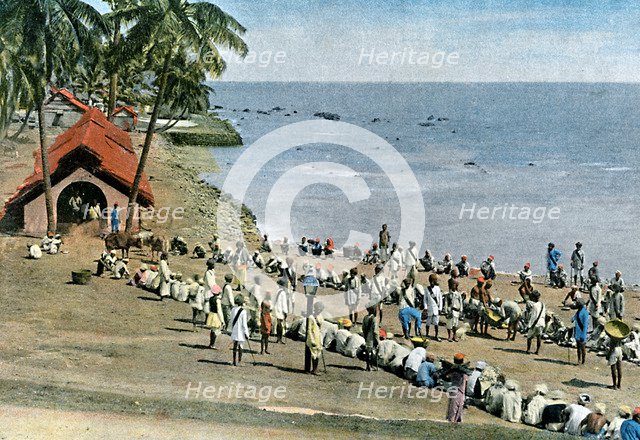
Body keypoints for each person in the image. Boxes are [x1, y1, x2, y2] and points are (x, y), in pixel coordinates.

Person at [445, 353, 468, 423]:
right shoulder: (463, 372)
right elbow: (466, 383)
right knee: (456, 410)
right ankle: (453, 423)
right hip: (459, 392)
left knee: (452, 408)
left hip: (453, 391)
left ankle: (453, 421)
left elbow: (445, 376)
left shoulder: (453, 371)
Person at [230, 295, 249, 367]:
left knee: (235, 345)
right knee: (241, 346)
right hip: (240, 331)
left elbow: (231, 320)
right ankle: (240, 361)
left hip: (234, 329)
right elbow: (244, 324)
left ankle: (234, 361)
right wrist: (246, 333)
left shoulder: (233, 309)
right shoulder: (243, 311)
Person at [305, 302, 323, 374]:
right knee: (314, 354)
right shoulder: (311, 317)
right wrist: (312, 340)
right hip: (312, 337)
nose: (319, 310)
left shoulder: (320, 316)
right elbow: (309, 329)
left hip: (318, 336)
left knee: (318, 353)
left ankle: (315, 368)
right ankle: (314, 370)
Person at [525, 290, 546, 355]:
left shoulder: (534, 306)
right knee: (539, 337)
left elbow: (533, 317)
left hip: (535, 323)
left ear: (534, 298)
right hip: (541, 322)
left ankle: (528, 350)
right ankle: (537, 351)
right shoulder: (543, 304)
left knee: (529, 337)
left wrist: (529, 326)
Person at [424, 273, 443, 341]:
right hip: (429, 308)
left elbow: (440, 299)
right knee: (428, 323)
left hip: (436, 309)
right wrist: (425, 308)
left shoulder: (437, 288)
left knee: (436, 323)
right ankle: (426, 335)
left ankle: (436, 335)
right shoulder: (426, 289)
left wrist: (440, 308)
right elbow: (425, 299)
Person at [572, 298, 590, 365]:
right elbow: (575, 317)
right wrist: (572, 319)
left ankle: (583, 360)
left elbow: (585, 325)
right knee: (578, 347)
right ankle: (579, 360)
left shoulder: (585, 312)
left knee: (583, 348)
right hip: (577, 331)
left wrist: (583, 335)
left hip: (582, 332)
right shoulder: (578, 311)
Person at [362, 306, 379, 371]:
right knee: (372, 352)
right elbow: (375, 331)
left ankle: (367, 366)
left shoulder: (365, 317)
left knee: (367, 351)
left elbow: (363, 328)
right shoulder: (374, 319)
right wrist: (377, 340)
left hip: (366, 336)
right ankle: (371, 366)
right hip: (372, 337)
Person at [207, 285, 224, 349]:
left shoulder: (211, 299)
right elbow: (219, 311)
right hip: (216, 315)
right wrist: (222, 320)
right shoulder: (218, 300)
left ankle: (211, 343)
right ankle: (212, 344)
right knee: (216, 330)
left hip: (211, 314)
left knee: (212, 330)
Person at [274, 278, 289, 344]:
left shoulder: (276, 291)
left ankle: (278, 338)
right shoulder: (283, 293)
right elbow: (284, 303)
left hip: (276, 309)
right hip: (280, 310)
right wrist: (285, 312)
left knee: (278, 324)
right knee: (280, 325)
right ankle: (279, 338)